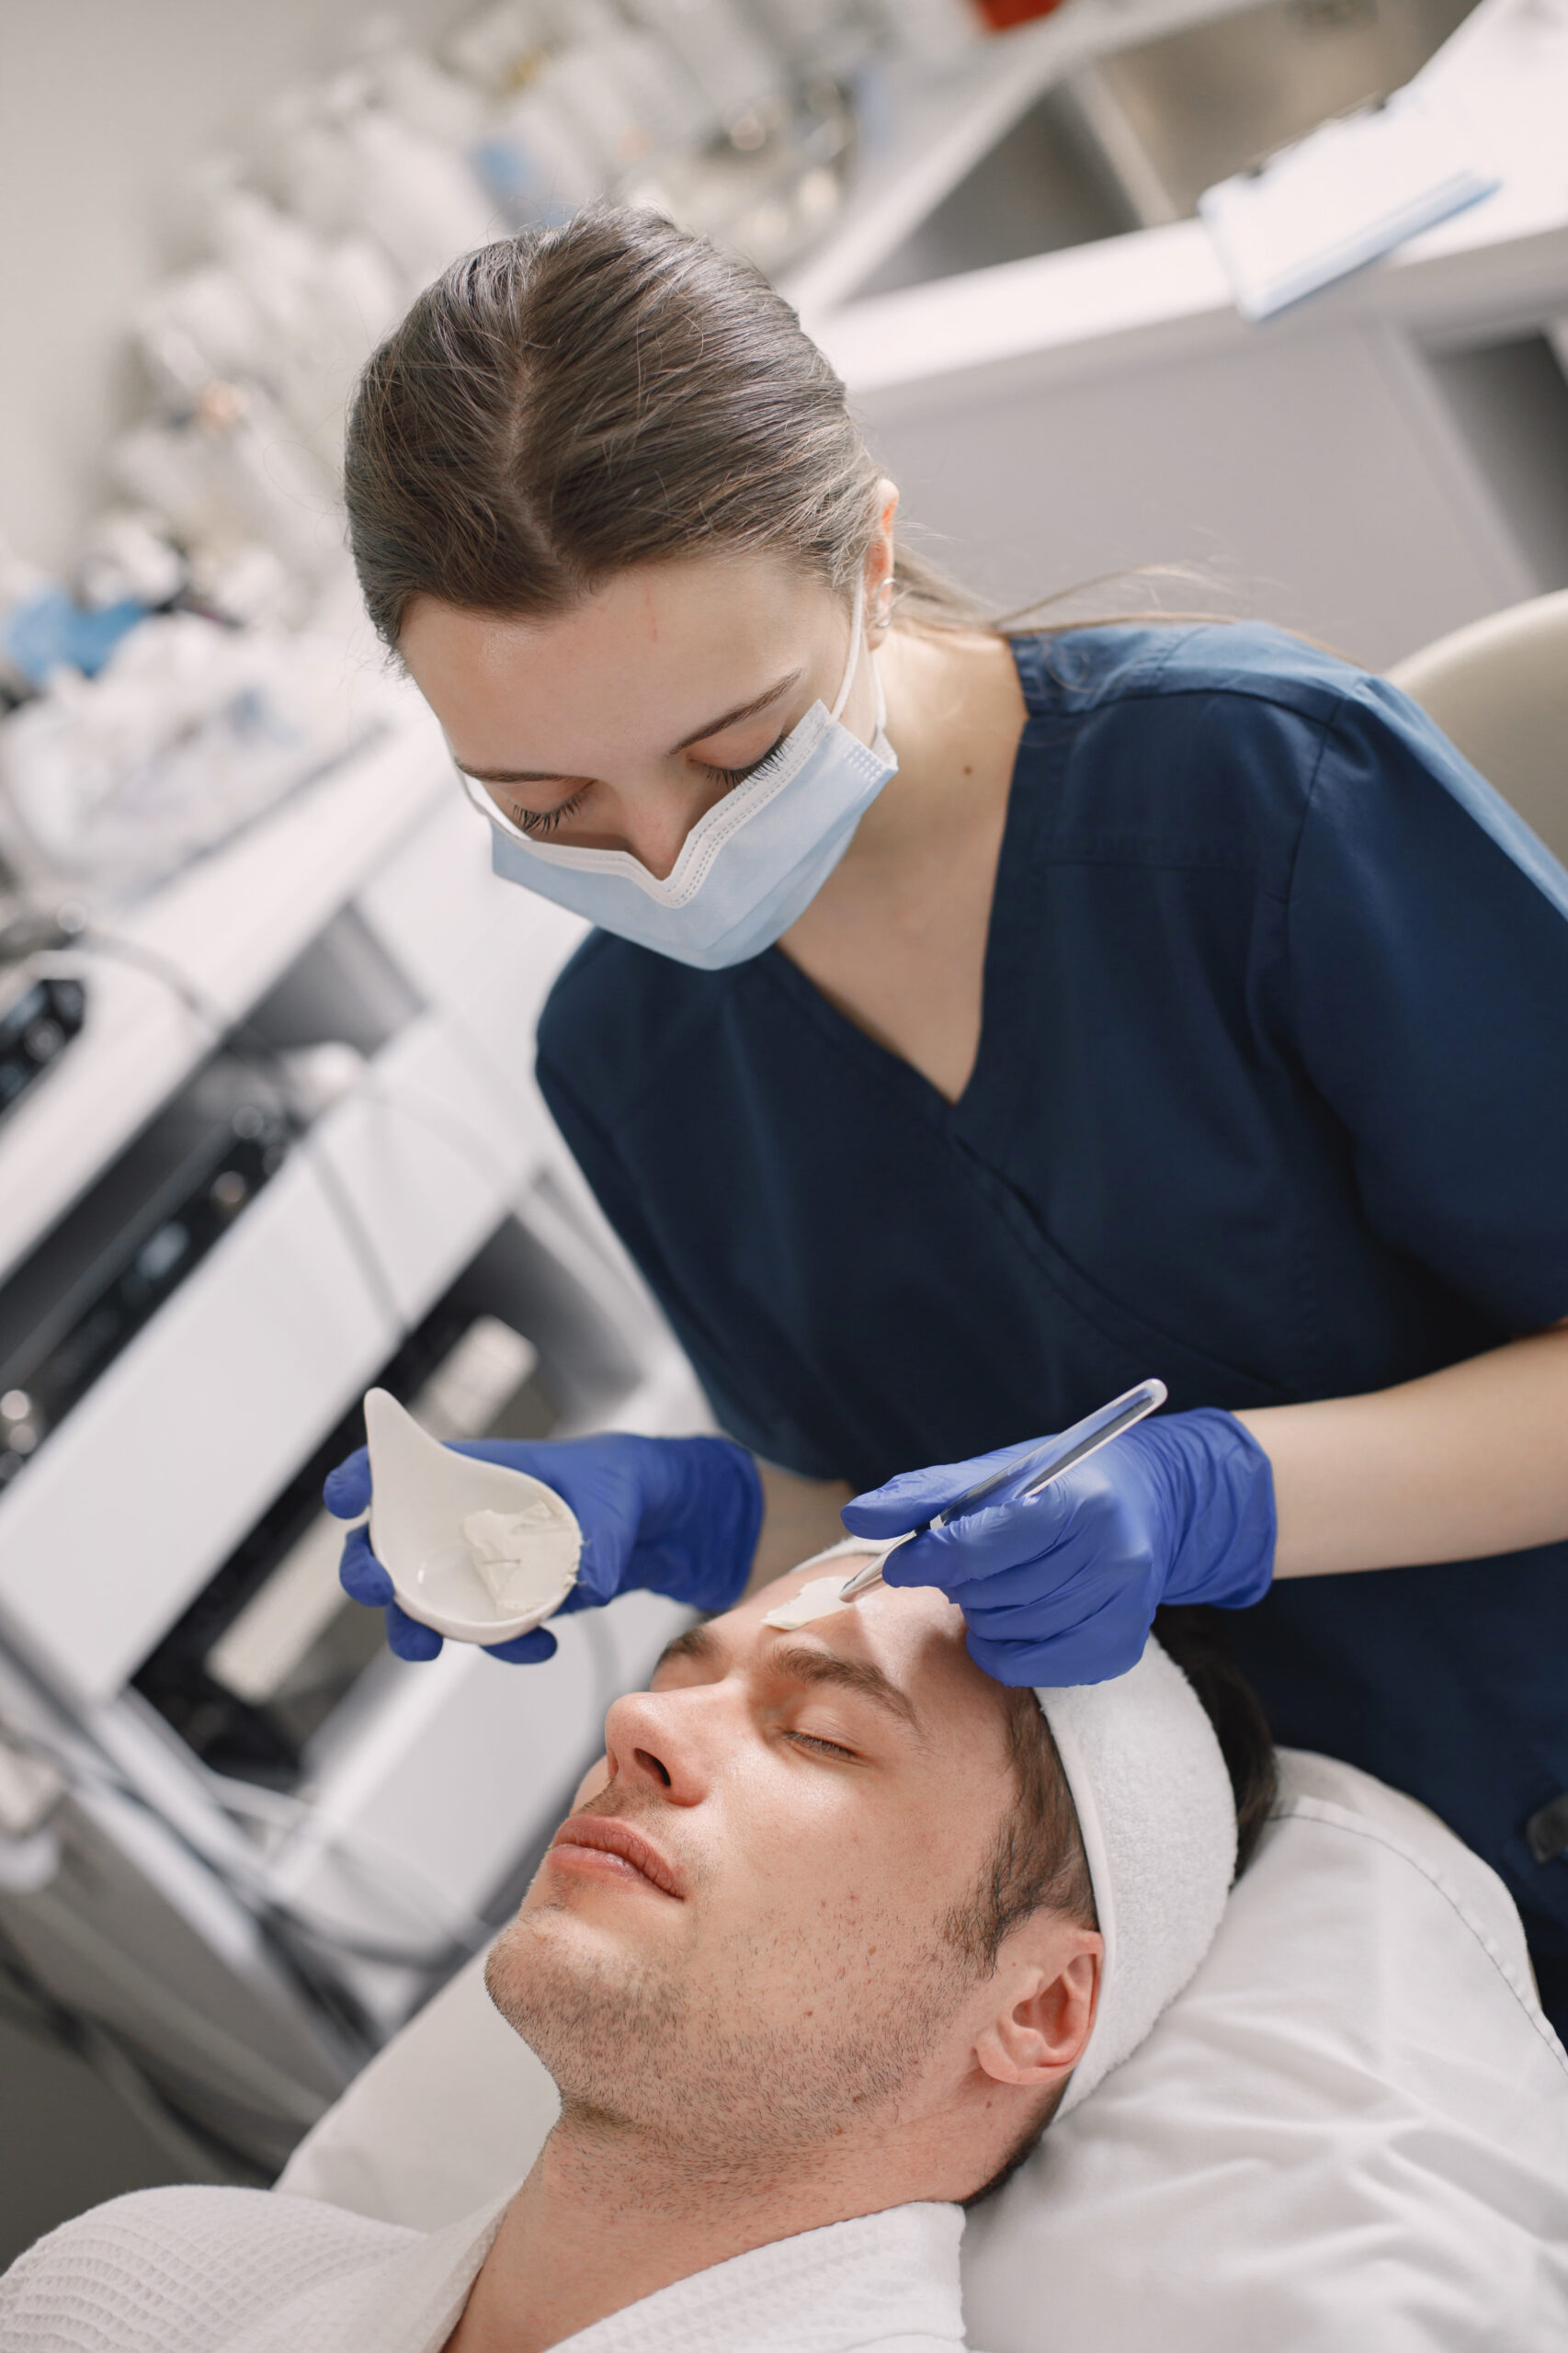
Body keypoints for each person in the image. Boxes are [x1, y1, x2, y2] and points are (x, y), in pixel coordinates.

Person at [329, 207, 1568, 2032]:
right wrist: (695, 1517)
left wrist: (1220, 1493)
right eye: (548, 804)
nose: (669, 855)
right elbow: (923, 1528)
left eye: (735, 748)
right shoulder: (627, 1056)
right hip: (1279, 1897)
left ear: (872, 557)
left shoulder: (1254, 797)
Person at [0, 1565, 1271, 2353]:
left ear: (1038, 2004)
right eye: (680, 1677)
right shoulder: (135, 2289)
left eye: (821, 1734)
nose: (640, 1722)